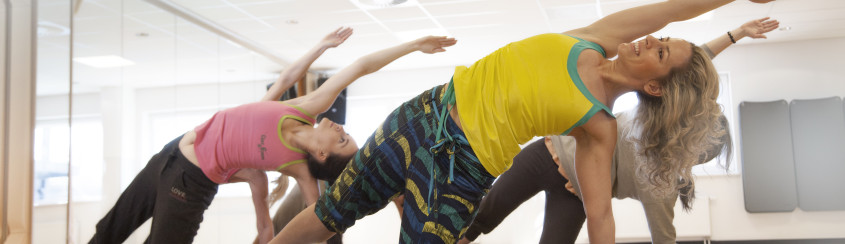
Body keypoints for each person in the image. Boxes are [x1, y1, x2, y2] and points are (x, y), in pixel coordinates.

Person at [273, 1, 775, 243]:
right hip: (423, 116)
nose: (650, 39)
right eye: (660, 36)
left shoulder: (598, 127)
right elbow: (671, 5)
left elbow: (600, 217)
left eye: (660, 50)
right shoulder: (596, 37)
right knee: (328, 215)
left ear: (655, 86)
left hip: (462, 174)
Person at [88, 26, 457, 244]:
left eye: (342, 139)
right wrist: (410, 45)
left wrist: (266, 226)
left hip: (191, 178)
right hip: (169, 154)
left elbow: (319, 217)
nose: (341, 127)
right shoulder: (305, 107)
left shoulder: (295, 166)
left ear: (324, 157)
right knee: (109, 229)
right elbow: (350, 68)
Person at [457, 17, 779, 244]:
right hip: (550, 151)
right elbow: (689, 66)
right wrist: (736, 34)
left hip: (579, 194)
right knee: (485, 215)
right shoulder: (650, 114)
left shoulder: (662, 182)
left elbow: (662, 237)